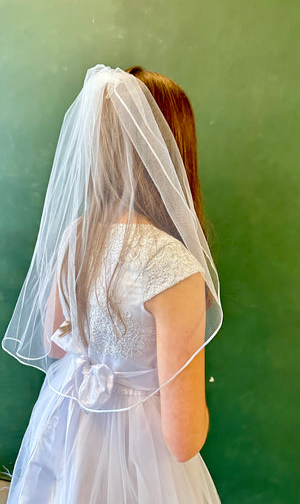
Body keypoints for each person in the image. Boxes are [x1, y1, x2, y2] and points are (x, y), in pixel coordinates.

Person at [2, 64, 223, 503]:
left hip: (64, 435)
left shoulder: (78, 235)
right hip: (142, 465)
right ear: (175, 153)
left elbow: (54, 343)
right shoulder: (172, 266)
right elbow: (183, 440)